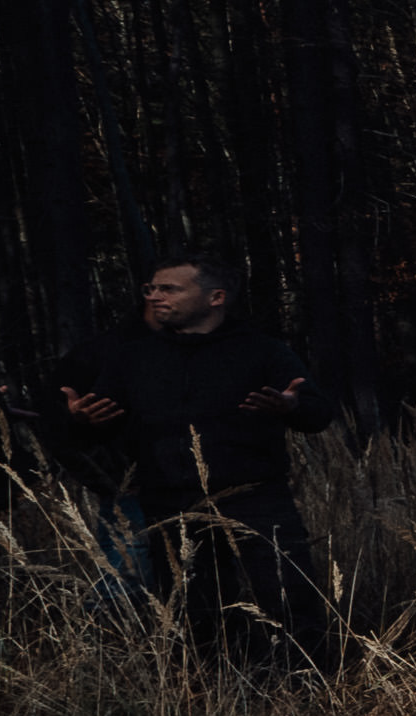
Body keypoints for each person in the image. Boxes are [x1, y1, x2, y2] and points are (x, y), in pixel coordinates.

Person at [53, 250, 333, 661]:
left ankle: (307, 685)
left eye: (169, 289)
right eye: (151, 288)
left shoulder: (262, 351)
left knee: (287, 593)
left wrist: (292, 406)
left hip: (255, 496)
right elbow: (101, 428)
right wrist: (83, 420)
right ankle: (215, 694)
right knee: (195, 607)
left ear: (215, 297)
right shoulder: (132, 357)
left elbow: (318, 414)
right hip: (168, 500)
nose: (154, 297)